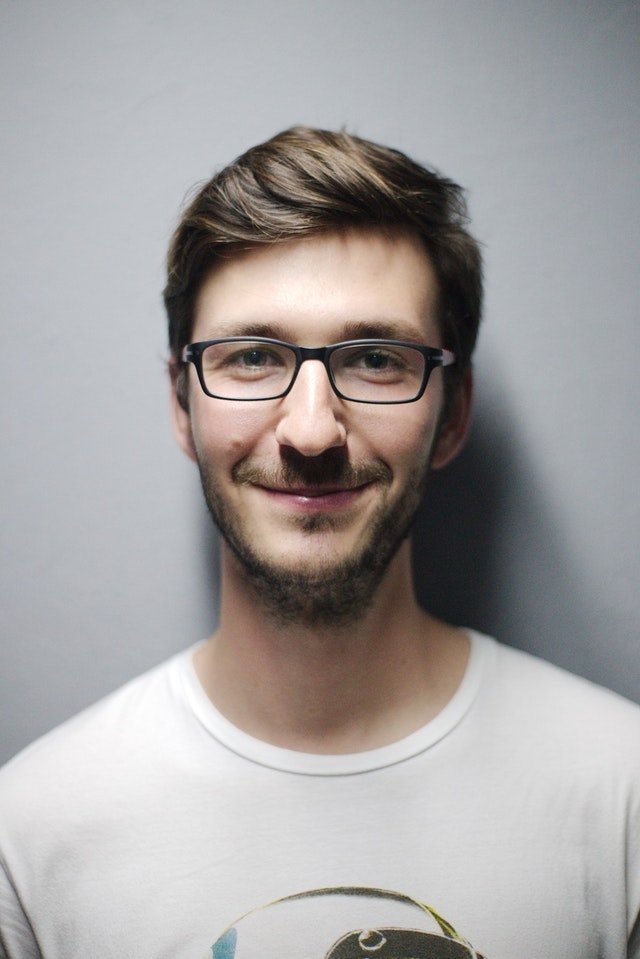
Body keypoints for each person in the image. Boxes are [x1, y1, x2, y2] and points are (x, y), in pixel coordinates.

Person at [0, 127, 638, 959]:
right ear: (181, 404)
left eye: (375, 358)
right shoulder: (31, 835)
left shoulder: (622, 795)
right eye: (253, 356)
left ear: (452, 412)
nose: (309, 430)